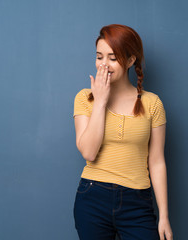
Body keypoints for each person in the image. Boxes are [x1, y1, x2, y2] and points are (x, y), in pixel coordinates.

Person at [72, 24, 173, 240]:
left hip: (137, 202)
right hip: (92, 197)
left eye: (112, 58)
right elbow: (89, 153)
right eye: (99, 57)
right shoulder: (84, 98)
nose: (104, 65)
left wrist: (164, 215)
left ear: (130, 60)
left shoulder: (152, 103)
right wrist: (100, 102)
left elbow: (156, 162)